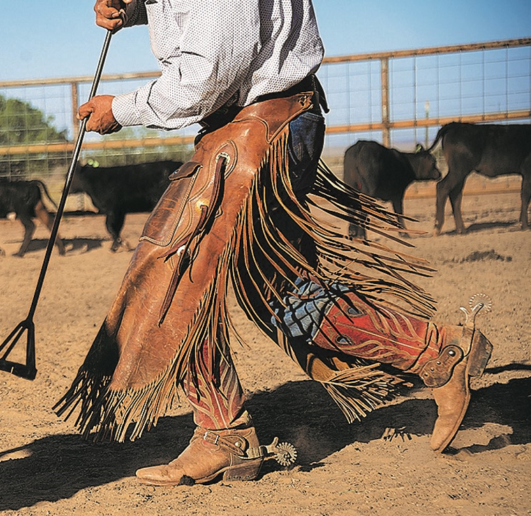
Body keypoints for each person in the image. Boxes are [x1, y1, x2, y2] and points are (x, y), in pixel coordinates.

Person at [55, 0, 493, 486]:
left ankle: (224, 434)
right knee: (281, 292)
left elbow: (208, 74)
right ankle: (436, 353)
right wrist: (139, 10)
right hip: (258, 126)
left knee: (180, 280)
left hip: (260, 128)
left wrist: (122, 108)